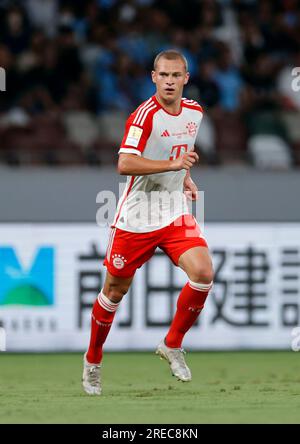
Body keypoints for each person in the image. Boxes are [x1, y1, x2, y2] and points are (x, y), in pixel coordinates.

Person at [82, 49, 214, 395]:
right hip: (137, 216)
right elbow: (125, 164)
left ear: (186, 78)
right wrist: (173, 167)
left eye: (176, 76)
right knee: (114, 291)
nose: (170, 82)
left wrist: (183, 176)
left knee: (202, 274)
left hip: (173, 211)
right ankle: (93, 359)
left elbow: (176, 152)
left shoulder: (195, 113)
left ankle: (172, 343)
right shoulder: (143, 116)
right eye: (163, 75)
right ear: (153, 77)